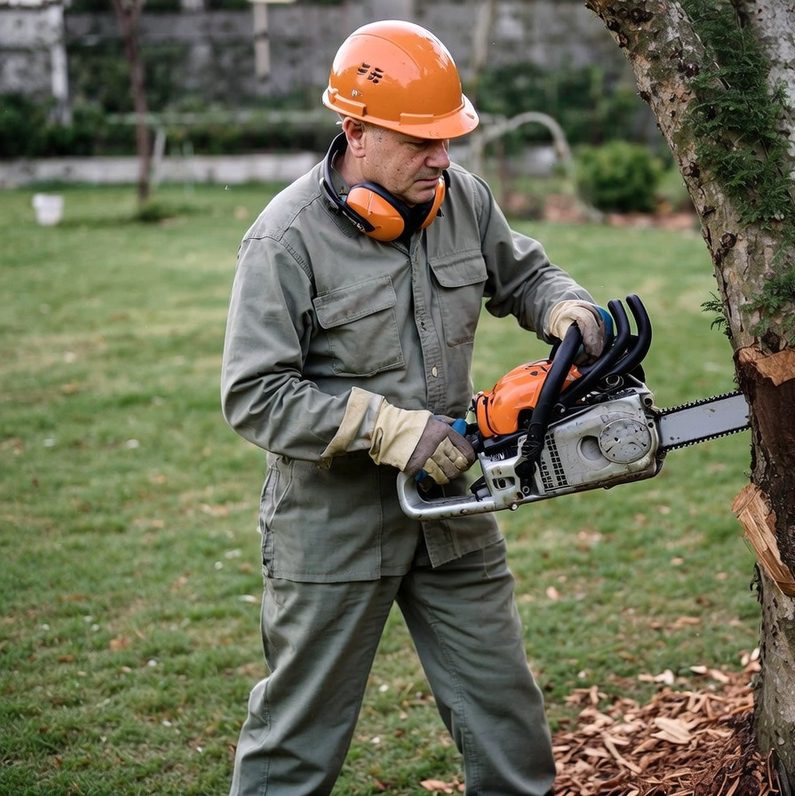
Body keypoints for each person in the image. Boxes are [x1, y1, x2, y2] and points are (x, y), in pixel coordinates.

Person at [221, 19, 607, 796]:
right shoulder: (284, 241)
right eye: (420, 142)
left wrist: (564, 306)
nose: (442, 158)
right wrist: (390, 429)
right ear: (355, 132)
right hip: (331, 528)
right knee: (297, 740)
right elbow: (254, 395)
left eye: (448, 138)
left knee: (506, 720)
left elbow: (524, 276)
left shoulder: (461, 201)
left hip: (452, 508)